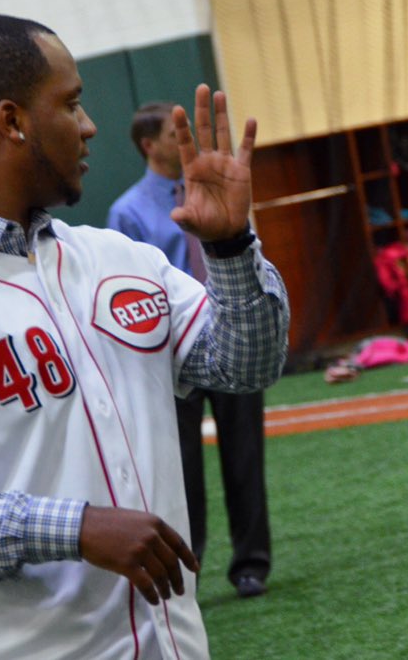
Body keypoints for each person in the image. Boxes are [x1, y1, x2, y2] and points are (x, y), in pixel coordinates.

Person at [0, 14, 289, 659]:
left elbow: (246, 366)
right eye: (70, 104)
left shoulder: (116, 258)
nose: (90, 125)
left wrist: (232, 247)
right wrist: (74, 527)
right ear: (12, 121)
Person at [107, 102, 272, 599]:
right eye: (170, 134)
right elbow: (124, 289)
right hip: (168, 351)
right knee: (177, 468)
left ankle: (251, 565)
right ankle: (187, 563)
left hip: (227, 333)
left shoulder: (216, 185)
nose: (185, 140)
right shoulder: (127, 211)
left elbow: (245, 250)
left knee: (245, 456)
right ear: (148, 146)